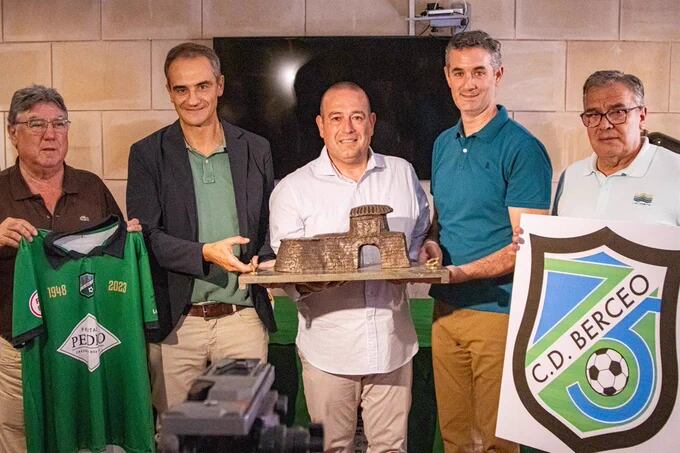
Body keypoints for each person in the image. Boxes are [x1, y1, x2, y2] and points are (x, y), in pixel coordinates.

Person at [269, 81, 430, 453]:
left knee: (391, 447)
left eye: (357, 117)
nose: (348, 128)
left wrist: (425, 250)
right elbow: (289, 270)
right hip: (329, 348)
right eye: (337, 118)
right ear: (320, 126)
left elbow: (420, 228)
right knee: (333, 447)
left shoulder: (401, 173)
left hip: (393, 344)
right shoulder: (293, 189)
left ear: (372, 122)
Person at [419, 31, 553, 453]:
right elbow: (442, 221)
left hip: (498, 313)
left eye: (479, 71)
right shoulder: (443, 143)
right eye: (459, 72)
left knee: (497, 442)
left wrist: (458, 273)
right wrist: (432, 246)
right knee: (456, 438)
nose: (469, 83)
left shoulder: (523, 148)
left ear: (498, 73)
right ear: (447, 77)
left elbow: (527, 245)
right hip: (445, 311)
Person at [126, 42, 276, 415]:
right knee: (178, 437)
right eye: (182, 89)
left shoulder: (256, 149)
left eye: (202, 86)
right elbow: (147, 237)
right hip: (179, 324)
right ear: (169, 91)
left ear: (220, 85)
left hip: (242, 320)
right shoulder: (147, 154)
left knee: (243, 436)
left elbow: (270, 227)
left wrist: (271, 261)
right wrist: (204, 253)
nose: (193, 98)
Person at [0, 85, 140, 453]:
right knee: (22, 442)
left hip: (88, 349)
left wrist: (132, 239)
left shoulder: (91, 186)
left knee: (84, 439)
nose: (50, 134)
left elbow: (118, 258)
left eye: (59, 123)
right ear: (12, 132)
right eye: (36, 124)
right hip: (18, 355)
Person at [553, 70, 680, 225]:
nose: (605, 125)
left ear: (642, 117)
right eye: (593, 115)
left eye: (618, 112)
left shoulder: (675, 172)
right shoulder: (571, 176)